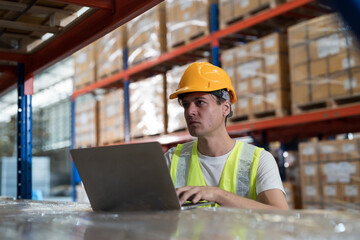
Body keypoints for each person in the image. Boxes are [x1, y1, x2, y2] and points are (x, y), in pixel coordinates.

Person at [164, 62, 289, 210]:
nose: (190, 111)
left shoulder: (258, 160)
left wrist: (218, 195)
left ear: (225, 108)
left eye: (200, 102)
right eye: (186, 104)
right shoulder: (172, 160)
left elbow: (281, 215)